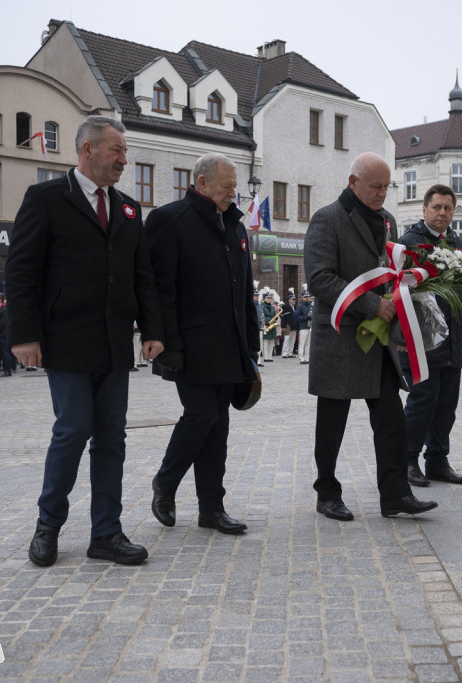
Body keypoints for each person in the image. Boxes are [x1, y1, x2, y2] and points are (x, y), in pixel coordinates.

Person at [7, 114, 164, 567]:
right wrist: (24, 335)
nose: (124, 158)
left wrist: (152, 330)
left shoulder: (129, 208)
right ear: (87, 150)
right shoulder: (46, 198)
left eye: (124, 150)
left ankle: (106, 533)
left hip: (114, 343)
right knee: (73, 430)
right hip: (65, 340)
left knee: (112, 437)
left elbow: (142, 277)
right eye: (116, 150)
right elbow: (21, 271)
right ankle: (48, 525)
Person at [304, 151, 437, 521]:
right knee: (332, 422)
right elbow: (320, 278)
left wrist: (404, 292)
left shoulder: (389, 221)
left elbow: (392, 271)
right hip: (342, 338)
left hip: (378, 342)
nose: (382, 193)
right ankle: (327, 492)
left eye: (386, 186)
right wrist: (370, 305)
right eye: (376, 186)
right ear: (353, 182)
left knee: (391, 419)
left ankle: (395, 494)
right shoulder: (326, 219)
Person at [147, 152, 259, 535]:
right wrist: (167, 344)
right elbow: (161, 291)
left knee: (218, 425)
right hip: (189, 347)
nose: (233, 192)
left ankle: (212, 507)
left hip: (230, 346)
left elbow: (243, 291)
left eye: (235, 185)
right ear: (202, 183)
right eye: (227, 185)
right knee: (200, 416)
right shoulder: (168, 220)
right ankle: (165, 483)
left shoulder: (235, 227)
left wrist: (252, 343)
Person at [398, 184, 462, 488]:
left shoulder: (459, 246)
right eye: (436, 207)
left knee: (446, 404)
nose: (442, 213)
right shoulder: (409, 244)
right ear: (424, 209)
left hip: (452, 339)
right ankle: (406, 460)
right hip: (420, 340)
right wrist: (403, 335)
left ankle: (438, 461)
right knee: (422, 400)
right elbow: (398, 293)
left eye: (448, 208)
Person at [259, 291, 278, 362]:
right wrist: (270, 320)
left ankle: (270, 356)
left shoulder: (272, 307)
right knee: (265, 342)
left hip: (272, 326)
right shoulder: (262, 306)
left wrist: (275, 318)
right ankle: (266, 357)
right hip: (266, 325)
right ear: (264, 299)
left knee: (271, 341)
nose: (269, 299)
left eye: (270, 298)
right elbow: (262, 317)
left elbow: (274, 315)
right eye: (268, 298)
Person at [296, 290, 313, 364]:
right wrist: (306, 317)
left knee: (308, 344)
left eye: (308, 297)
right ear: (302, 297)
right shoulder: (300, 306)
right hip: (303, 326)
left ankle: (307, 357)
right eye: (305, 297)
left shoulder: (311, 306)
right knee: (302, 343)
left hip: (310, 327)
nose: (307, 298)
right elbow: (298, 317)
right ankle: (301, 357)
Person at [281, 292, 299, 358]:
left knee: (292, 340)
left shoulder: (296, 307)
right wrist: (283, 326)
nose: (294, 300)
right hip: (287, 326)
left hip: (294, 326)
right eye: (292, 299)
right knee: (287, 339)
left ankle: (290, 353)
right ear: (289, 300)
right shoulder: (285, 307)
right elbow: (283, 317)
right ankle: (285, 353)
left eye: (294, 299)